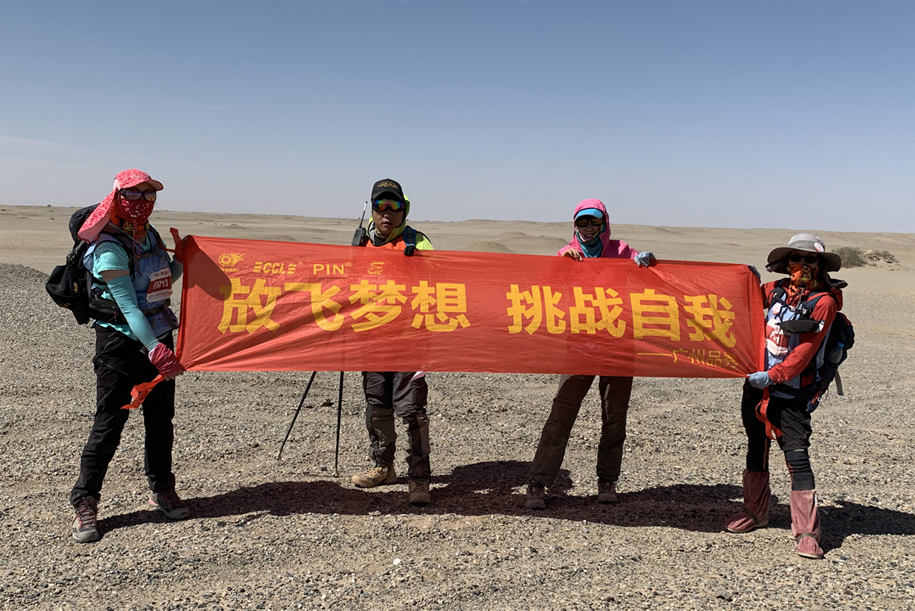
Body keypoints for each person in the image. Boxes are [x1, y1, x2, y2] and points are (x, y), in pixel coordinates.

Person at [70, 169, 187, 543]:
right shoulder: (107, 247)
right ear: (118, 197)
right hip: (122, 345)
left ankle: (162, 488)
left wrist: (181, 261)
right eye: (133, 196)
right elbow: (129, 307)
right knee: (109, 424)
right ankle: (85, 500)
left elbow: (160, 281)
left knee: (160, 420)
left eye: (148, 196)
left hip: (159, 336)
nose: (141, 203)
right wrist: (154, 348)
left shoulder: (149, 236)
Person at [525, 199, 656, 510]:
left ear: (603, 224)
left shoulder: (622, 251)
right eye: (582, 223)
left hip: (619, 346)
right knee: (561, 414)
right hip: (579, 348)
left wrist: (647, 263)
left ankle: (607, 480)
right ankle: (538, 482)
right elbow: (545, 290)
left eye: (593, 223)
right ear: (575, 225)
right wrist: (561, 267)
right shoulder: (567, 254)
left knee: (614, 417)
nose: (587, 229)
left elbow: (645, 275)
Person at [725, 233, 844, 560]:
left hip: (792, 392)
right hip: (756, 388)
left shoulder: (824, 303)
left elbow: (804, 354)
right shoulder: (774, 292)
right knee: (756, 446)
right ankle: (756, 512)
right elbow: (737, 300)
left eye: (810, 260)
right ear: (786, 262)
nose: (802, 266)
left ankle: (807, 531)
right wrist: (742, 278)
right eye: (797, 259)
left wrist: (773, 375)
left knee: (796, 456)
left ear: (819, 266)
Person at [350, 178, 435, 505]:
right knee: (377, 406)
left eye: (394, 206)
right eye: (380, 206)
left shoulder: (419, 243)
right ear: (372, 209)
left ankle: (419, 478)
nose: (387, 213)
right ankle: (383, 467)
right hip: (372, 341)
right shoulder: (361, 243)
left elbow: (440, 286)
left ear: (404, 209)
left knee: (412, 410)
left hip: (409, 341)